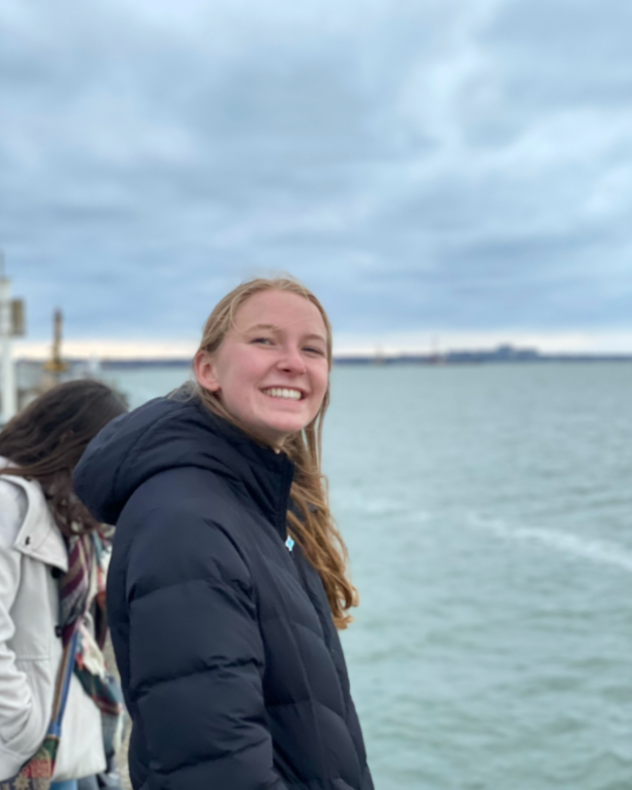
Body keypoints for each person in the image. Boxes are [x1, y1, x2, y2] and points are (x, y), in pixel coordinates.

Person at [73, 277, 374, 790]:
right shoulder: (185, 522)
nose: (293, 362)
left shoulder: (255, 504)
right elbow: (213, 768)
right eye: (264, 340)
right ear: (207, 370)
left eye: (312, 349)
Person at [0, 380, 127, 790]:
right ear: (72, 440)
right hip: (26, 744)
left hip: (60, 730)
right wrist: (23, 729)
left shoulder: (64, 512)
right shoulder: (9, 503)